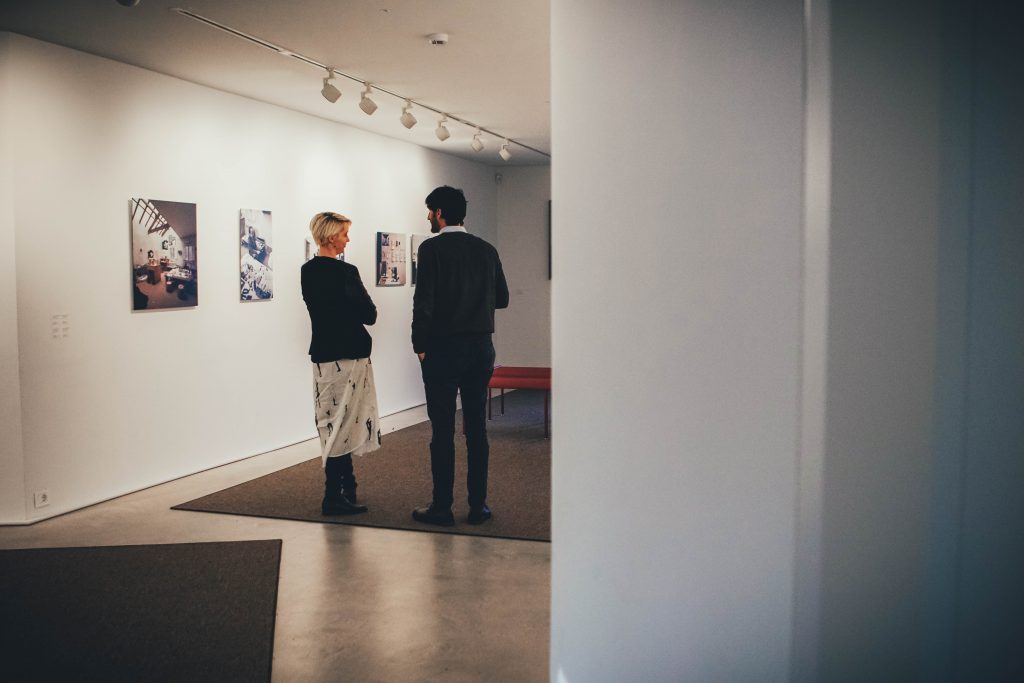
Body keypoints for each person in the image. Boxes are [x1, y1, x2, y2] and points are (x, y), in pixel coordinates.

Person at [411, 186, 509, 526]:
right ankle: (478, 506)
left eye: (429, 212)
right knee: (476, 429)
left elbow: (423, 301)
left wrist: (419, 345)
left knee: (442, 430)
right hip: (480, 349)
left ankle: (442, 507)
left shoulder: (431, 249)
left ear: (439, 213)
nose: (427, 218)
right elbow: (503, 299)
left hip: (441, 348)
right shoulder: (486, 249)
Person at [300, 212, 381, 515]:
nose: (348, 239)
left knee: (332, 419)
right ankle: (334, 494)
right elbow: (369, 314)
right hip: (350, 354)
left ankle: (346, 487)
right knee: (345, 421)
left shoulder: (307, 271)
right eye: (345, 233)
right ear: (333, 237)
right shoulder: (347, 272)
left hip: (324, 354)